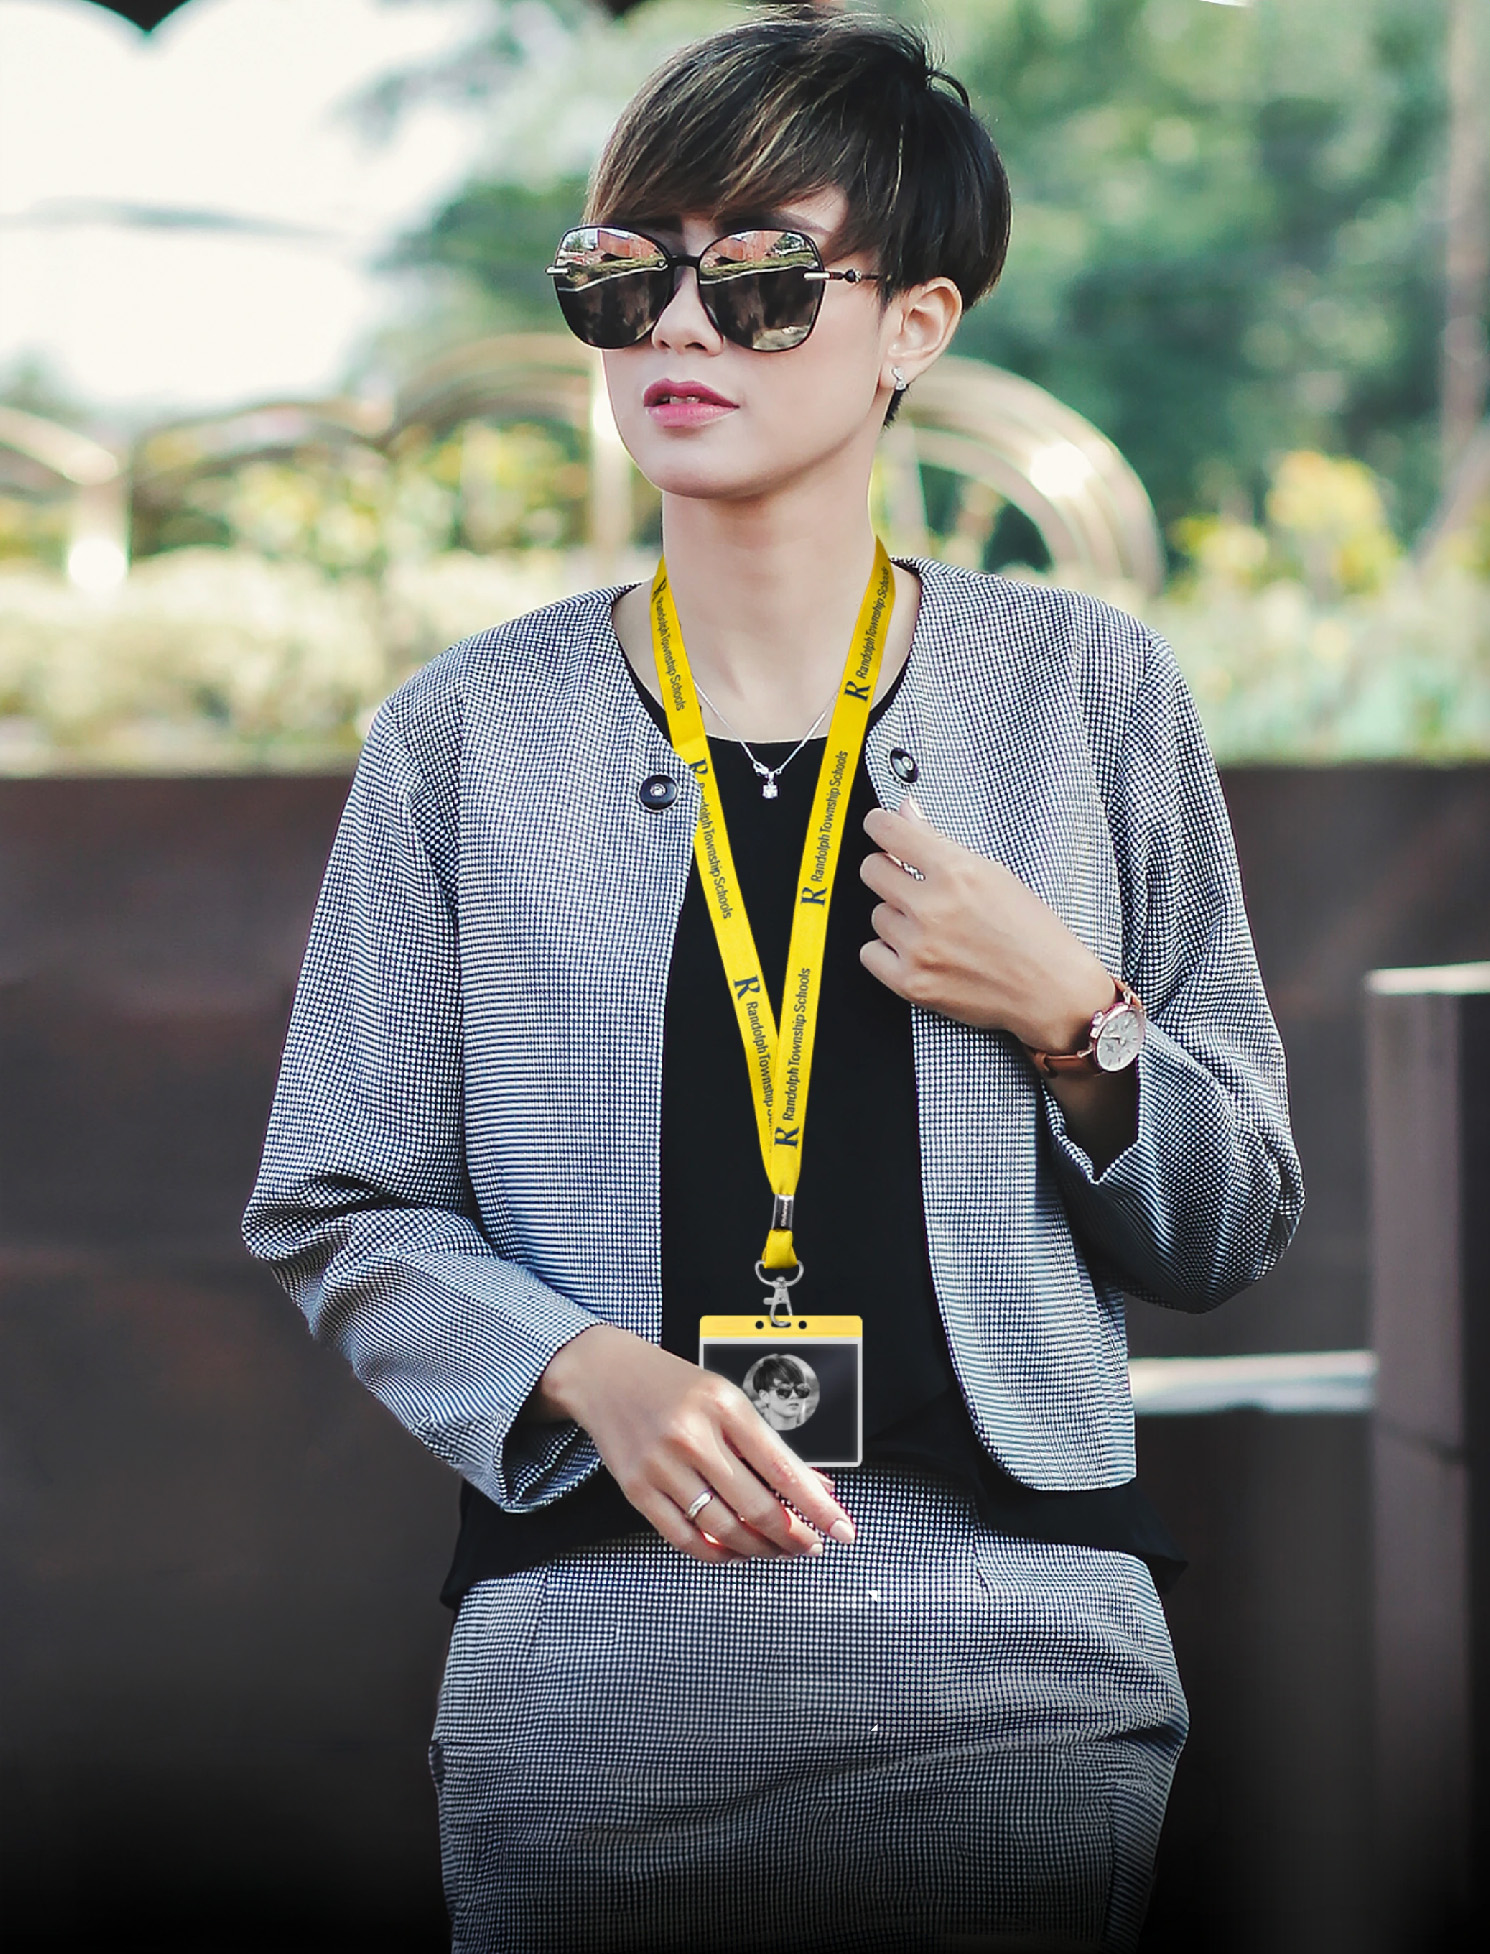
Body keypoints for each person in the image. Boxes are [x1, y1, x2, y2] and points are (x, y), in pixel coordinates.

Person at [243, 9, 1304, 1952]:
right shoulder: (461, 738)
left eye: (758, 277)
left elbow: (1230, 1217)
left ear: (915, 324)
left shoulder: (1086, 696)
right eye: (623, 273)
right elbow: (338, 1199)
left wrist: (1078, 1016)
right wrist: (582, 1368)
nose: (676, 326)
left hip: (1016, 1668)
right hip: (590, 1674)